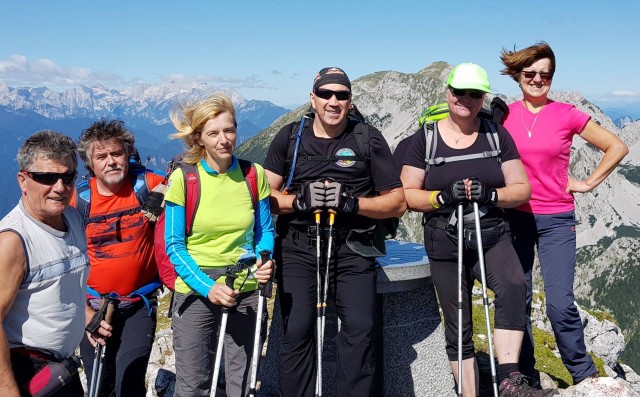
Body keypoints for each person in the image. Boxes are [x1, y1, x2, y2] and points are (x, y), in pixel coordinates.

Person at [401, 63, 557, 396]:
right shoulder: (424, 141)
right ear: (448, 93)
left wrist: (492, 194)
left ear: (482, 97)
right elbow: (407, 194)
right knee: (458, 320)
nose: (466, 100)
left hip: (491, 233)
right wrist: (441, 196)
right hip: (445, 239)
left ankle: (510, 379)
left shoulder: (496, 134)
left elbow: (521, 188)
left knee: (514, 286)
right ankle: (469, 392)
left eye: (475, 94)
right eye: (460, 92)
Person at [264, 67, 406, 397]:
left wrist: (352, 204)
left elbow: (397, 202)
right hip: (298, 247)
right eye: (326, 93)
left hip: (353, 248)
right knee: (297, 332)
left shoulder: (367, 138)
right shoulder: (290, 137)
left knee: (360, 331)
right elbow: (263, 196)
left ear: (350, 100)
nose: (333, 101)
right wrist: (299, 201)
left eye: (341, 95)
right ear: (312, 98)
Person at [500, 42, 629, 385]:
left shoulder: (567, 113)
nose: (538, 79)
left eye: (545, 74)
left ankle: (583, 376)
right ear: (518, 75)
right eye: (530, 73)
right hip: (514, 217)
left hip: (556, 218)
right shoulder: (504, 114)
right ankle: (522, 375)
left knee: (559, 302)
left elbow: (617, 146)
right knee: (518, 299)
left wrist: (587, 183)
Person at [164, 92, 275, 396]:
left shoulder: (254, 174)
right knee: (193, 385)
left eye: (229, 130)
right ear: (198, 138)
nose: (224, 139)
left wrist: (265, 257)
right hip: (197, 288)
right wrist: (207, 287)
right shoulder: (184, 179)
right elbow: (174, 246)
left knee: (243, 382)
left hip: (246, 286)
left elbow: (265, 230)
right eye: (213, 133)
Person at [74, 119, 165, 397]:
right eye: (101, 156)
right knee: (100, 384)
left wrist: (168, 183)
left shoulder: (147, 184)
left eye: (117, 153)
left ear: (128, 155)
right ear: (90, 164)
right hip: (93, 306)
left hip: (138, 303)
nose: (111, 162)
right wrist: (85, 313)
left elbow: (187, 173)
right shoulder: (79, 201)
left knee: (130, 380)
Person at [0, 130, 91, 396]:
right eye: (47, 178)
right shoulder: (13, 241)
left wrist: (85, 316)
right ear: (23, 180)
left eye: (68, 176)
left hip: (59, 367)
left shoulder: (72, 217)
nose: (60, 187)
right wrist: (7, 390)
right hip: (26, 370)